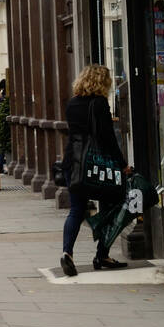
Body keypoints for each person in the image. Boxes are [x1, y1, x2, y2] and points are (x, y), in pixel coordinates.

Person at [61, 64, 131, 275]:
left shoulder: (72, 103)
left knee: (76, 210)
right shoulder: (99, 103)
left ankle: (67, 253)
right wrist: (122, 164)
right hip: (97, 165)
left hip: (73, 162)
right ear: (103, 82)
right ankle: (102, 254)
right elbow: (108, 138)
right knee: (111, 207)